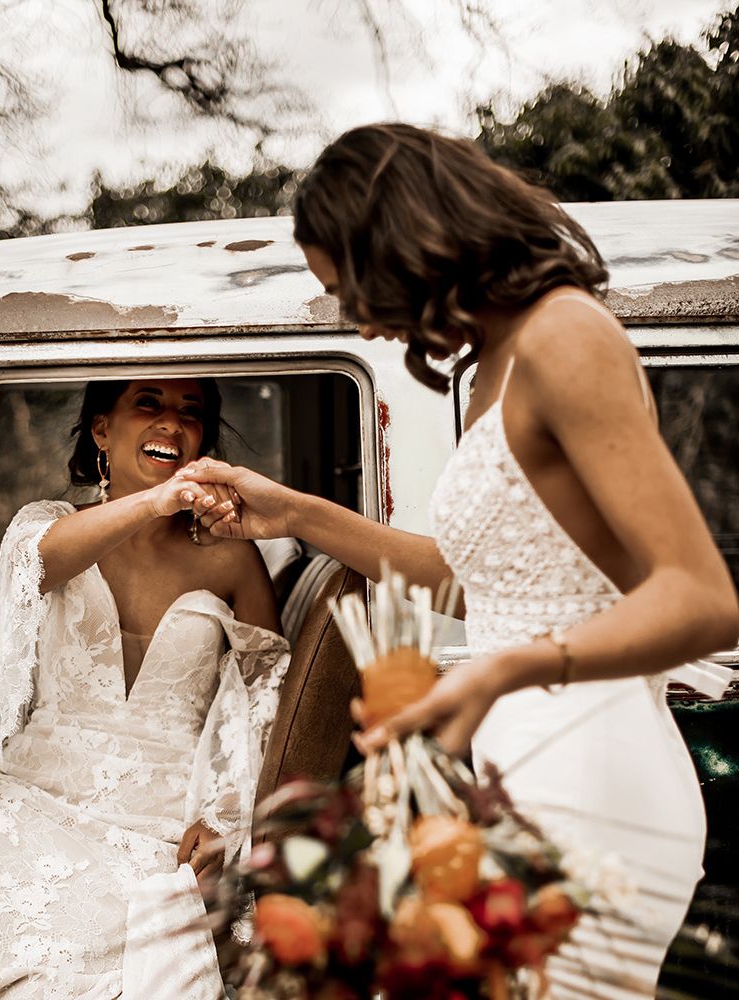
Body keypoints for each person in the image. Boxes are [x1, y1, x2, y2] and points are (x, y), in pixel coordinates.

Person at [179, 124, 739, 999]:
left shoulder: (566, 338)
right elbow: (481, 583)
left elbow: (702, 599)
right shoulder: (491, 368)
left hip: (597, 775)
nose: (359, 318)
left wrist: (508, 670)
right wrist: (289, 512)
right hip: (523, 770)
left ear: (406, 237)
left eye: (350, 286)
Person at [0, 377, 289, 1000]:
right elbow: (36, 569)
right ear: (102, 429)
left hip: (161, 819)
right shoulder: (45, 529)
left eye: (192, 413)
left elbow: (265, 699)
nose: (171, 424)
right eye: (147, 404)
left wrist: (224, 817)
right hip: (34, 799)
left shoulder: (233, 558)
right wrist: (156, 502)